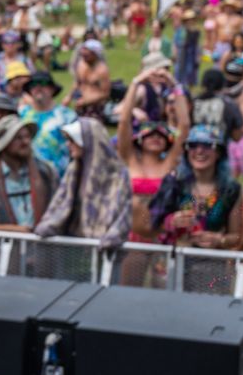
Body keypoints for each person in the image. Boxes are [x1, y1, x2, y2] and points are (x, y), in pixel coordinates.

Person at [34, 117, 132, 250]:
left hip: (104, 250)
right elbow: (59, 204)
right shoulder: (73, 170)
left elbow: (124, 214)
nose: (68, 145)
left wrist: (113, 236)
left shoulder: (118, 173)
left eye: (72, 140)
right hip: (73, 249)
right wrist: (49, 225)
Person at [148, 123, 243, 249]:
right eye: (192, 145)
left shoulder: (231, 190)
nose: (199, 150)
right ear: (186, 152)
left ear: (219, 152)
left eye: (208, 145)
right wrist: (170, 222)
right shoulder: (174, 182)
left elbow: (237, 237)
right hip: (173, 261)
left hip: (212, 264)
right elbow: (149, 224)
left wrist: (220, 240)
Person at [116, 72, 183, 244]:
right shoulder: (129, 159)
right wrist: (136, 82)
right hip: (129, 234)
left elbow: (185, 126)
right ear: (139, 140)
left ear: (167, 143)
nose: (155, 138)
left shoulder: (169, 163)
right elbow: (124, 121)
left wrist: (175, 86)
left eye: (160, 136)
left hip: (161, 237)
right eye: (150, 135)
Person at [21, 69, 77, 178]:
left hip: (61, 178)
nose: (38, 87)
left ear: (52, 89)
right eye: (33, 84)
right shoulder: (21, 115)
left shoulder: (67, 116)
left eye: (43, 83)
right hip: (29, 178)